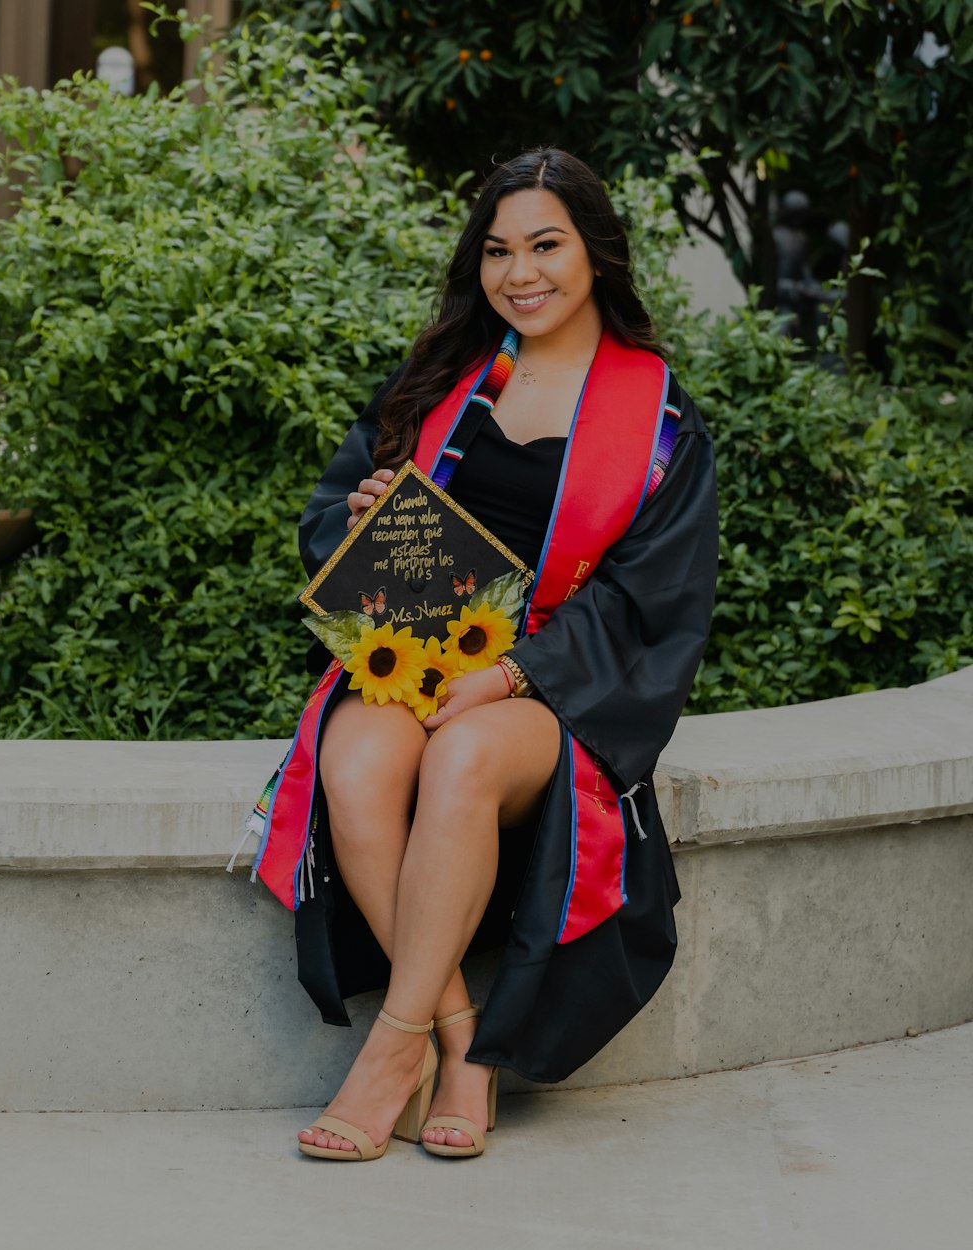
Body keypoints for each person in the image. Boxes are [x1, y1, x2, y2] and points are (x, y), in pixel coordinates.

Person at [249, 147, 718, 1161]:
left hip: (546, 683)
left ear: (593, 250)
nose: (521, 272)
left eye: (545, 244)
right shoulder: (445, 379)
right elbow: (334, 513)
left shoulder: (657, 416)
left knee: (461, 757)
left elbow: (655, 596)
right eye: (499, 249)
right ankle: (460, 1038)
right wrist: (361, 513)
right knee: (358, 761)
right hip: (410, 648)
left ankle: (386, 1050)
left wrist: (508, 674)